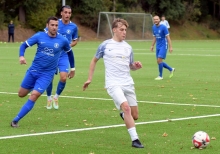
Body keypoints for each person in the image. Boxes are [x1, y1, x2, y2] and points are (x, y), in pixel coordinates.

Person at [83, 18, 144, 148]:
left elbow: (130, 66)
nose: (124, 32)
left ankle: (124, 115)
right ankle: (135, 140)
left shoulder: (128, 47)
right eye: (121, 29)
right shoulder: (105, 45)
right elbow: (94, 61)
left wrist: (135, 66)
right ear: (114, 30)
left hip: (127, 83)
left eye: (125, 30)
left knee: (135, 115)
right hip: (113, 83)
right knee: (126, 107)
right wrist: (89, 78)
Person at [10, 16, 75, 127]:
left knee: (34, 95)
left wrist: (72, 68)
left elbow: (70, 52)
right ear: (47, 26)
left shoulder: (62, 40)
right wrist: (21, 56)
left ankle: (15, 120)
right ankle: (33, 85)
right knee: (21, 94)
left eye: (56, 25)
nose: (54, 27)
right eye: (52, 25)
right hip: (33, 70)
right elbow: (23, 45)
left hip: (47, 74)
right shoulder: (39, 36)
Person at [45, 5, 78, 110]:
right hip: (52, 54)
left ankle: (56, 97)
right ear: (61, 13)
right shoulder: (55, 23)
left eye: (69, 13)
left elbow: (75, 40)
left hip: (64, 55)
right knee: (49, 78)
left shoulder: (74, 27)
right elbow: (46, 35)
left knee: (63, 77)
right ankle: (49, 97)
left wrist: (68, 46)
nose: (67, 14)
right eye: (66, 12)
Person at [150, 15, 175, 80]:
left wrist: (170, 47)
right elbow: (155, 37)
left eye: (157, 19)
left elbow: (168, 37)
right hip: (158, 46)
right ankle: (171, 69)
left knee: (159, 60)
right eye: (154, 19)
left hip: (164, 45)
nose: (156, 20)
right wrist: (152, 45)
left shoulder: (163, 27)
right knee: (158, 62)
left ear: (159, 20)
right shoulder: (153, 27)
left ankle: (160, 76)